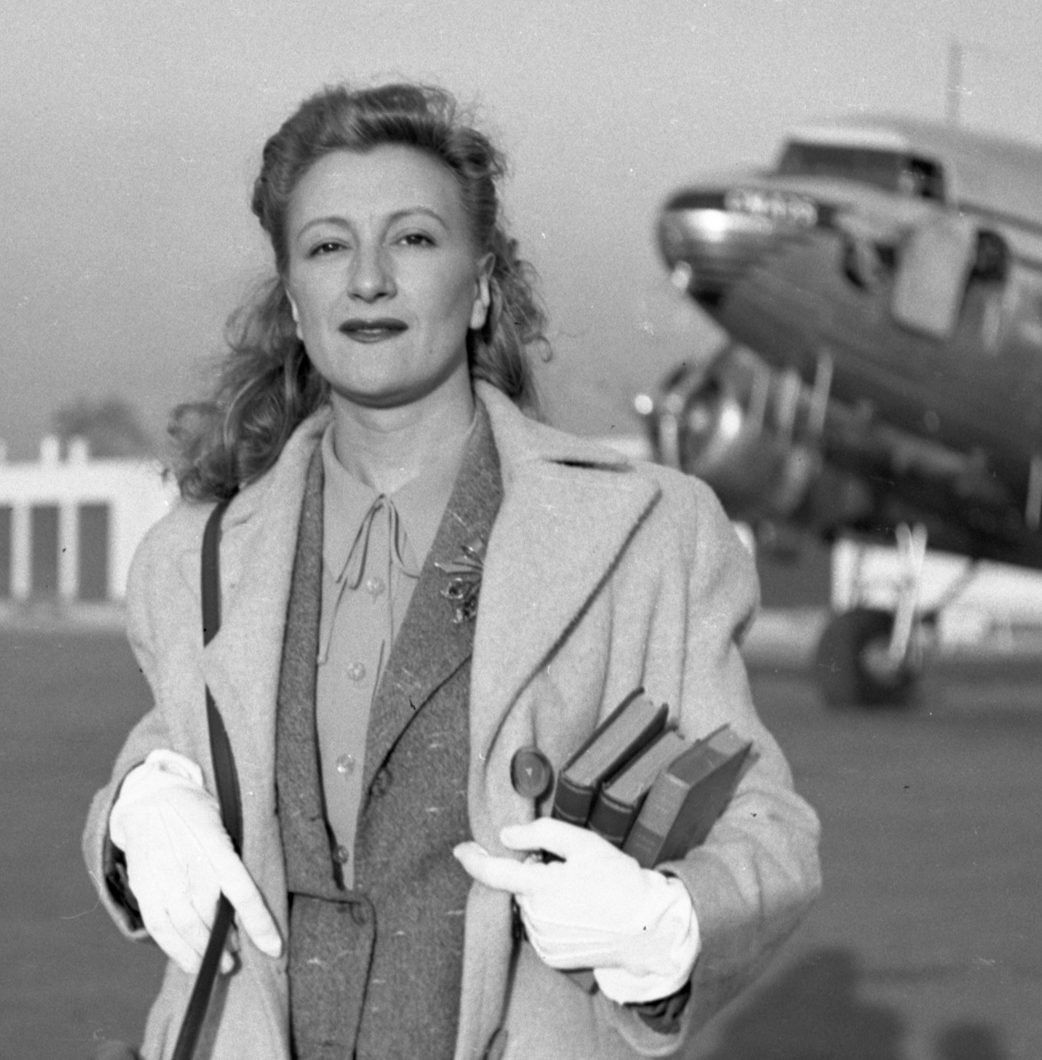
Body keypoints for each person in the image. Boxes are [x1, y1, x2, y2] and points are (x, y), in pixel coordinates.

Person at [83, 82, 821, 1060]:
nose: (370, 280)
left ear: (479, 289)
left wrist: (671, 923)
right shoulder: (198, 556)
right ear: (296, 303)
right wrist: (133, 810)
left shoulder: (647, 533)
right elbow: (184, 739)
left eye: (415, 239)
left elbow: (766, 822)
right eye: (328, 246)